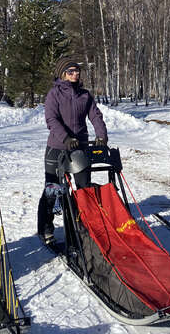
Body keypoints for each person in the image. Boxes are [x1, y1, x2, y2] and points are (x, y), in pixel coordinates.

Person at [38, 57, 108, 244]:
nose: (75, 74)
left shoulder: (84, 95)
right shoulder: (54, 94)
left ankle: (84, 225)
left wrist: (101, 135)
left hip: (80, 147)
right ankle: (46, 228)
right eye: (71, 71)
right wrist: (66, 138)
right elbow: (51, 120)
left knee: (84, 188)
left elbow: (95, 116)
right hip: (57, 147)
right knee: (53, 190)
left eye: (77, 71)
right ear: (62, 74)